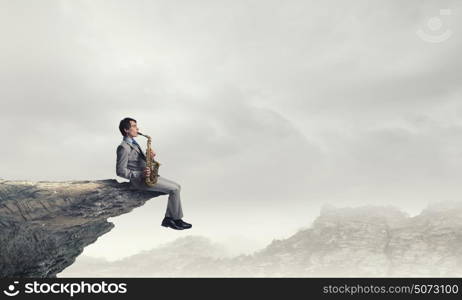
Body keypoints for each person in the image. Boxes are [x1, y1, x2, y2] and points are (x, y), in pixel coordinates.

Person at [116, 117, 192, 230]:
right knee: (174, 189)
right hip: (140, 181)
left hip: (148, 176)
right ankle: (173, 219)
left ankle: (172, 218)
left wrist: (150, 158)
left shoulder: (134, 144)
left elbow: (137, 162)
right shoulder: (123, 147)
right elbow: (120, 171)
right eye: (134, 126)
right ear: (126, 130)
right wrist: (140, 174)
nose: (137, 128)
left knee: (178, 186)